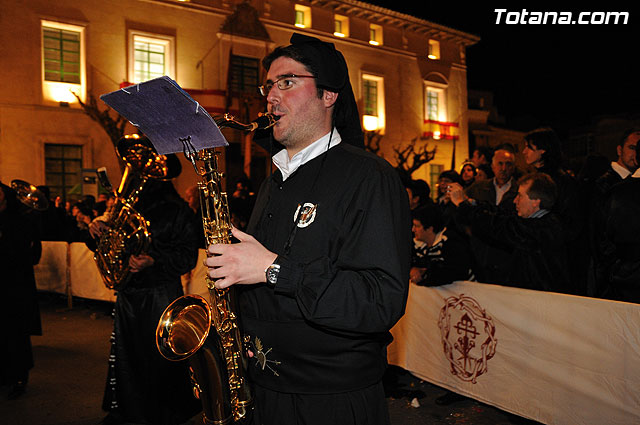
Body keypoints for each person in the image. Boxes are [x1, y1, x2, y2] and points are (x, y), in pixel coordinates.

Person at [204, 33, 411, 425]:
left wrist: (274, 269)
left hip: (329, 400)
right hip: (262, 389)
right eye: (268, 85)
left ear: (328, 94)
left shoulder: (370, 176)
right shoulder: (272, 181)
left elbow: (380, 301)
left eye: (287, 82)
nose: (270, 96)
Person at [89, 153, 201, 425]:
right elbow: (110, 248)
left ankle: (163, 414)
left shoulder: (178, 210)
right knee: (128, 355)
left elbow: (188, 257)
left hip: (160, 295)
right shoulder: (124, 208)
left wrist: (154, 260)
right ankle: (128, 409)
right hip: (130, 293)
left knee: (159, 357)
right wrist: (98, 230)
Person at [448, 173, 570, 292]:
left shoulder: (542, 229)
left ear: (535, 202)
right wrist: (471, 203)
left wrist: (462, 205)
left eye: (520, 196)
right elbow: (502, 214)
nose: (515, 201)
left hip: (539, 303)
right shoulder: (537, 221)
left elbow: (500, 226)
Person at [522, 127, 586, 294]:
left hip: (553, 264)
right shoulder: (538, 178)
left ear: (543, 150)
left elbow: (571, 225)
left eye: (529, 147)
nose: (523, 151)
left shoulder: (560, 182)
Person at [0, 181, 42, 400]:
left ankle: (19, 378)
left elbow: (32, 255)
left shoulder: (21, 221)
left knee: (16, 334)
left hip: (15, 287)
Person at [410, 203, 475, 287]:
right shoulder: (418, 244)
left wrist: (425, 274)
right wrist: (413, 269)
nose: (413, 230)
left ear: (430, 229)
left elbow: (455, 272)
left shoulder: (450, 242)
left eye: (417, 226)